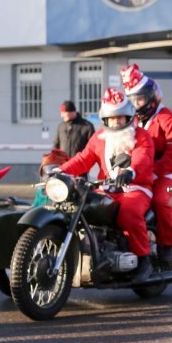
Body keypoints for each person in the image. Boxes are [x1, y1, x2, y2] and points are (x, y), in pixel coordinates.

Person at [58, 88, 155, 282]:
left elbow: (142, 157)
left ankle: (144, 260)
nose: (117, 122)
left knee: (128, 212)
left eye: (121, 117)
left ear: (128, 116)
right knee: (82, 208)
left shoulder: (141, 135)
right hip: (106, 188)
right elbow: (83, 159)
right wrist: (61, 171)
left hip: (135, 187)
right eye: (112, 118)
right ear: (105, 119)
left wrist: (130, 171)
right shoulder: (99, 138)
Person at [121, 64, 172, 270]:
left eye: (139, 99)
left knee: (159, 199)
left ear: (151, 97)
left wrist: (155, 171)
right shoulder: (134, 121)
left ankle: (170, 244)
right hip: (141, 172)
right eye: (132, 100)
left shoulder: (166, 118)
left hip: (167, 172)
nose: (136, 104)